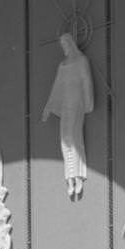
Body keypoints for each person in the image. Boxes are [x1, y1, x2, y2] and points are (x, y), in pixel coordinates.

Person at [42, 32, 94, 197]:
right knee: (64, 140)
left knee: (73, 137)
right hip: (65, 104)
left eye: (65, 44)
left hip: (77, 102)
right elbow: (57, 87)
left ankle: (78, 176)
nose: (64, 48)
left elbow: (87, 81)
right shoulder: (63, 65)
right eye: (62, 45)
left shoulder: (81, 61)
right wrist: (48, 107)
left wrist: (88, 101)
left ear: (71, 43)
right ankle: (69, 178)